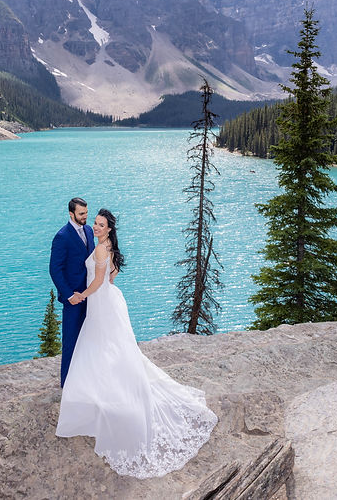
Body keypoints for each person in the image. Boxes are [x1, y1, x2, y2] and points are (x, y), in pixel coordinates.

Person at [56, 209, 217, 479]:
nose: (95, 227)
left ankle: (102, 389)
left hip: (99, 302)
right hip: (109, 299)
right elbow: (111, 275)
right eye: (94, 223)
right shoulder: (107, 246)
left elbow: (97, 280)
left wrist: (80, 296)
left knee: (101, 343)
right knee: (111, 345)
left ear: (108, 229)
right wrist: (99, 289)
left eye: (100, 225)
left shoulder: (99, 250)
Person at [48, 197, 95, 387]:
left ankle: (86, 380)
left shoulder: (89, 231)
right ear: (71, 214)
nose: (85, 217)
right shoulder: (62, 237)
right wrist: (69, 295)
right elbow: (55, 269)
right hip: (74, 299)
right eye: (81, 214)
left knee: (89, 338)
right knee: (71, 341)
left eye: (86, 213)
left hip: (91, 296)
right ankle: (67, 384)